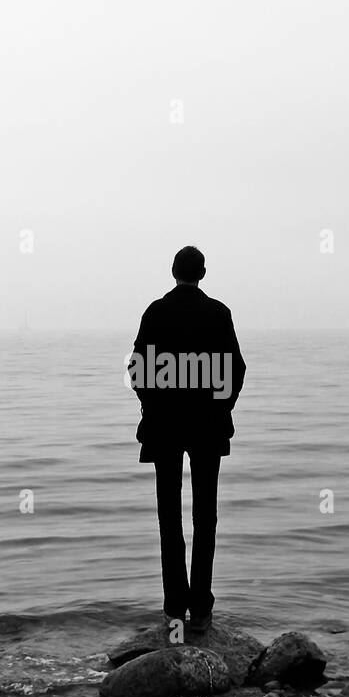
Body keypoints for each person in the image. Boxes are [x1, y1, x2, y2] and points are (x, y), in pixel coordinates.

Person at [128, 246, 246, 632]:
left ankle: (175, 608)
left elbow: (138, 369)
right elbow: (236, 369)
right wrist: (220, 407)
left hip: (165, 427)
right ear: (203, 273)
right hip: (207, 427)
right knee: (205, 517)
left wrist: (154, 405)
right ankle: (203, 607)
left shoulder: (156, 312)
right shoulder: (218, 313)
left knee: (169, 517)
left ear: (173, 271)